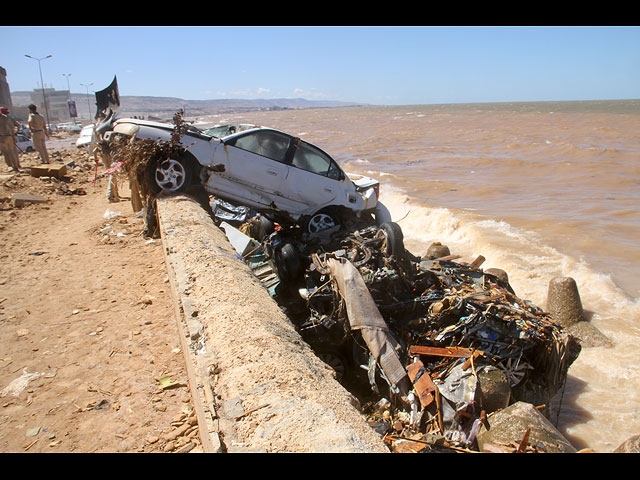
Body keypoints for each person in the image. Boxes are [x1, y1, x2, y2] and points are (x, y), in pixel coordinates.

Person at [0, 106, 21, 172]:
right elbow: (13, 127)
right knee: (12, 152)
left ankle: (10, 166)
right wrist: (14, 135)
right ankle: (16, 166)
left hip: (2, 137)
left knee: (6, 153)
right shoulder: (8, 118)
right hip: (10, 136)